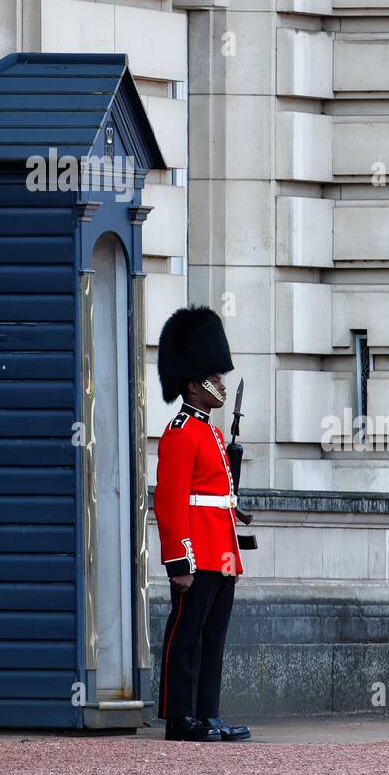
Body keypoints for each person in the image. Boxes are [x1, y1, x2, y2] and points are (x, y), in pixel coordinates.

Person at [154, 304, 252, 743]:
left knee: (214, 640)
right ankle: (180, 717)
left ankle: (208, 713)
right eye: (215, 376)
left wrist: (235, 507)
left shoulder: (210, 432)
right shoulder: (180, 432)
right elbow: (171, 503)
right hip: (198, 552)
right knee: (187, 636)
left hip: (224, 551)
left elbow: (213, 495)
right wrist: (179, 561)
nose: (222, 383)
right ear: (194, 384)